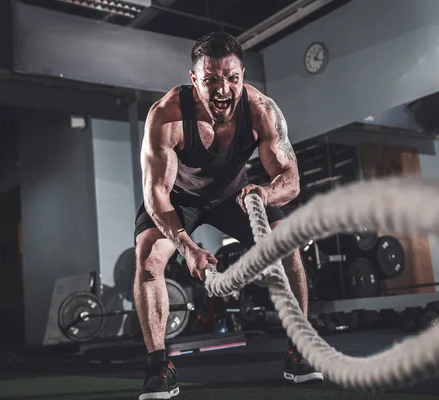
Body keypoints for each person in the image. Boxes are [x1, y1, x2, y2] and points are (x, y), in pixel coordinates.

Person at [133, 31, 323, 399]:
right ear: (194, 80)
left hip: (236, 195)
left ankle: (299, 350)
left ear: (243, 75)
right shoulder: (166, 115)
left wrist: (264, 194)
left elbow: (291, 179)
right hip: (178, 199)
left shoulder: (261, 110)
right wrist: (188, 249)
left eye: (232, 78)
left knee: (289, 247)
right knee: (148, 258)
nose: (223, 89)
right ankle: (158, 368)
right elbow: (156, 196)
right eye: (212, 80)